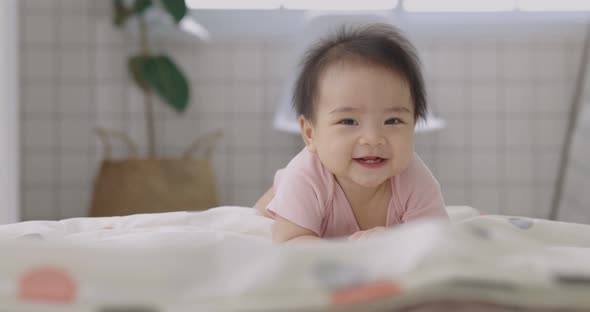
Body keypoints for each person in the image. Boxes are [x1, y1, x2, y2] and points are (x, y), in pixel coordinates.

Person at [255, 23, 448, 242]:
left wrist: (394, 241)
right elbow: (291, 241)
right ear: (310, 134)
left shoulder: (415, 180)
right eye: (349, 121)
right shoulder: (304, 178)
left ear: (412, 127)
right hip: (285, 205)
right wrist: (352, 253)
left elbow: (434, 240)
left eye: (392, 120)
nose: (373, 138)